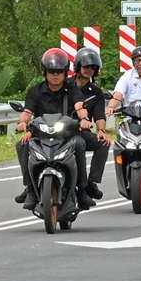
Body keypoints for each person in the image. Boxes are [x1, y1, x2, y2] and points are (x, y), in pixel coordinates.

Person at [15, 49, 95, 210]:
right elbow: (27, 112)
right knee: (23, 144)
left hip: (67, 134)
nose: (55, 75)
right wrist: (23, 123)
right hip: (41, 134)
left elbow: (80, 106)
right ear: (44, 71)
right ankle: (30, 188)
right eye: (51, 71)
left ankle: (82, 190)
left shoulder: (72, 90)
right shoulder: (36, 91)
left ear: (65, 72)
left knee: (79, 144)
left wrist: (84, 119)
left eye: (59, 71)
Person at [71, 48, 110, 200]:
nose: (89, 70)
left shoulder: (96, 92)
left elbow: (99, 115)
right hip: (59, 130)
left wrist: (102, 131)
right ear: (78, 66)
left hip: (82, 131)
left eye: (93, 67)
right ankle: (32, 188)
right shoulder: (66, 85)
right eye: (86, 66)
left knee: (103, 143)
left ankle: (91, 182)